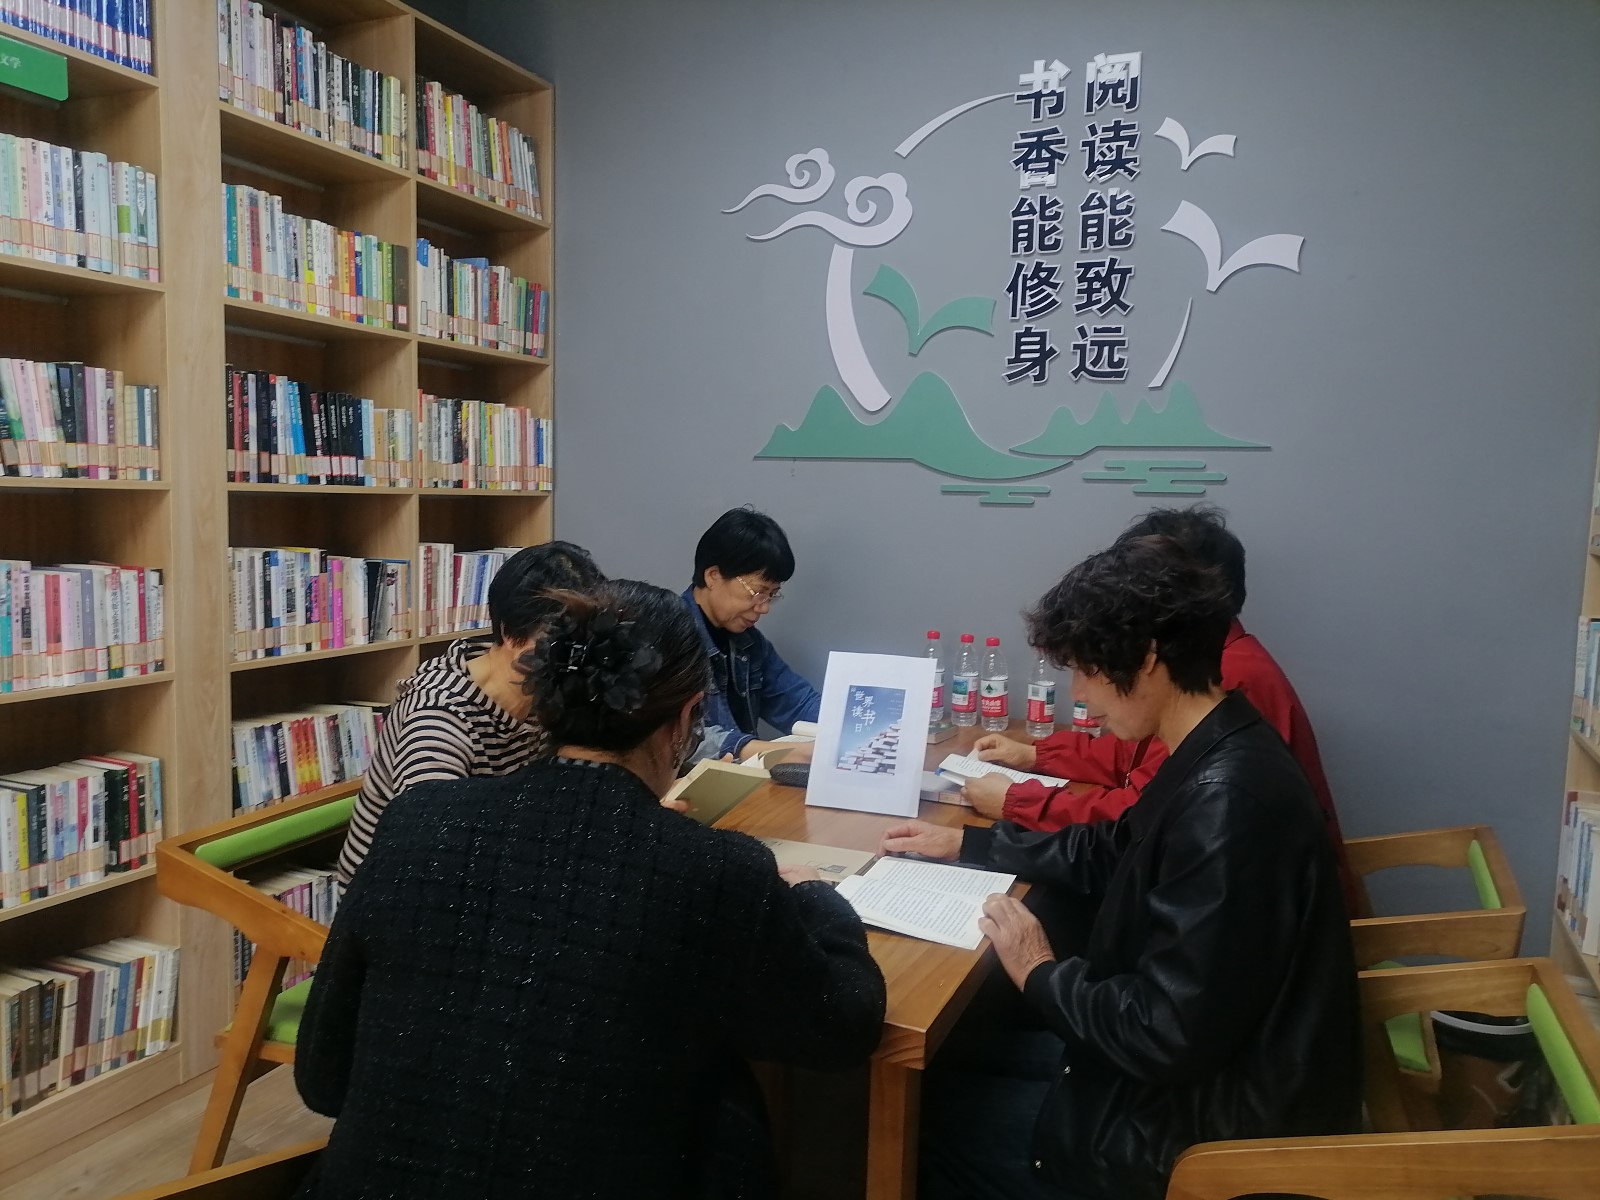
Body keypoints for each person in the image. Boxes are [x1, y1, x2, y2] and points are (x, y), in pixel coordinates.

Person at [295, 579, 886, 1199]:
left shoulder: (418, 820)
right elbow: (842, 1029)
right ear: (686, 719)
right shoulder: (719, 872)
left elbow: (324, 1079)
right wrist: (818, 898)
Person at [881, 536, 1360, 1200]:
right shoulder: (1218, 739)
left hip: (1211, 1130)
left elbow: (1162, 1032)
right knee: (957, 1057)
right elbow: (1111, 848)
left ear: (1149, 656)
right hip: (1208, 1070)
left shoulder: (1226, 804)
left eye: (1086, 669)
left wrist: (1040, 969)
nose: (1080, 694)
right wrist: (969, 846)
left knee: (918, 1126)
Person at [965, 505, 1354, 906]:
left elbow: (1136, 828)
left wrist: (1018, 804)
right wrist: (1036, 757)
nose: (1077, 692)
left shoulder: (1230, 685)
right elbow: (1131, 802)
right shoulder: (1200, 684)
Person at [334, 541, 603, 887]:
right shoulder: (439, 712)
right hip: (395, 893)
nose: (575, 654)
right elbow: (431, 840)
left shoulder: (544, 688)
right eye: (559, 638)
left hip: (487, 875)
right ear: (509, 632)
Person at [683, 507, 821, 762]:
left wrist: (862, 727)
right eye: (759, 592)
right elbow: (682, 740)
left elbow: (798, 703)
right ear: (713, 576)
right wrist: (771, 752)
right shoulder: (669, 636)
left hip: (737, 778)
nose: (764, 607)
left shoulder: (750, 643)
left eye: (772, 595)